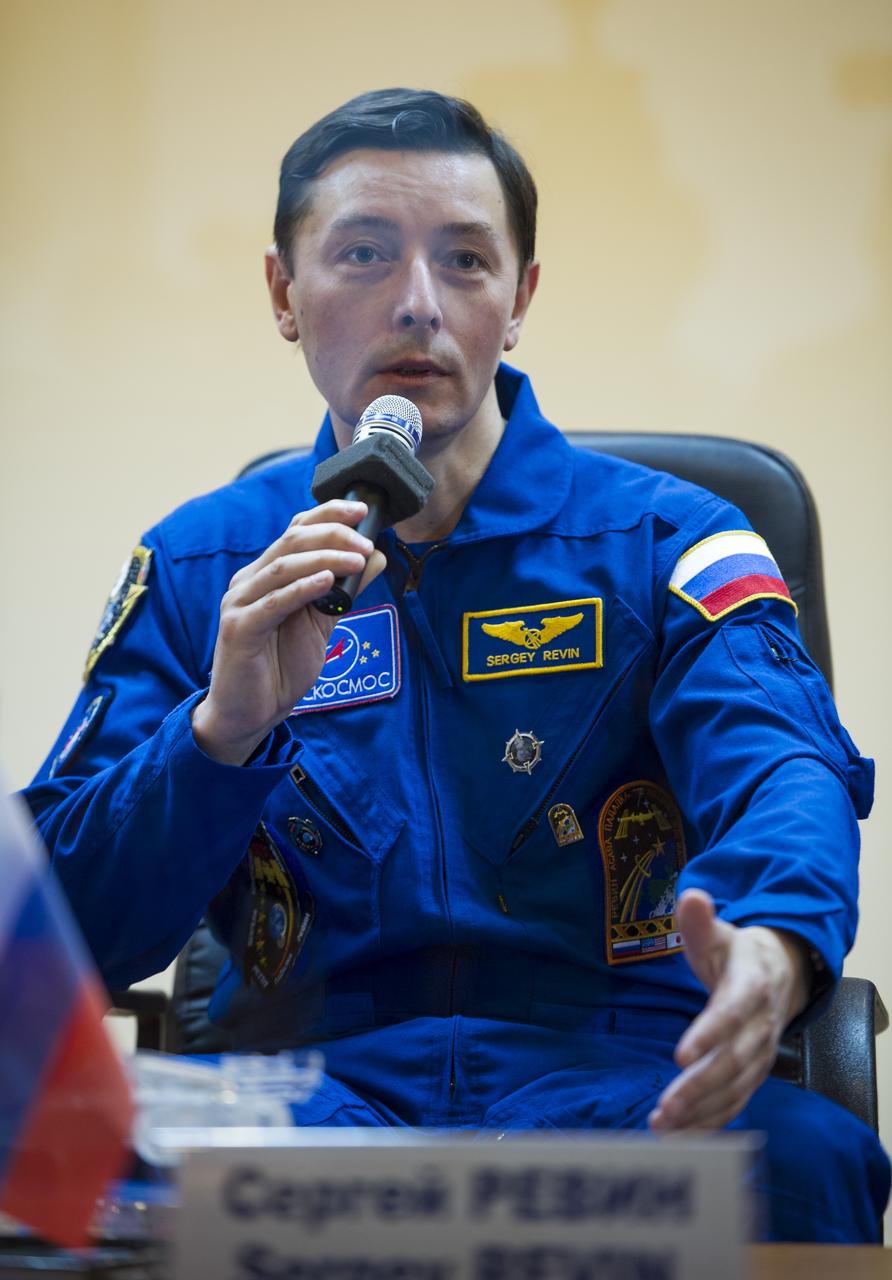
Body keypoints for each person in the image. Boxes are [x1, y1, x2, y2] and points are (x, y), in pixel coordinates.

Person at [21, 88, 889, 1241]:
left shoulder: (675, 541)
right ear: (284, 292)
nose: (417, 305)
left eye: (466, 261)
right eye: (366, 254)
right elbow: (59, 931)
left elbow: (781, 765)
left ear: (520, 299)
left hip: (614, 1076)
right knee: (44, 1155)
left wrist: (773, 946)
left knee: (802, 1163)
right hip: (302, 1093)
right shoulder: (200, 566)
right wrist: (213, 739)